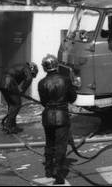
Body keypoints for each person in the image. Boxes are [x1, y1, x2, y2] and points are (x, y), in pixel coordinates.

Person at [38, 54, 78, 185]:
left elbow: (44, 102)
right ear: (56, 65)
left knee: (49, 143)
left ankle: (48, 169)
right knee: (61, 145)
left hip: (47, 116)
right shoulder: (65, 80)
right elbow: (72, 98)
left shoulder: (41, 83)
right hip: (62, 116)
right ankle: (58, 173)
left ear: (44, 68)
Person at [0, 61, 39, 134]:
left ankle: (12, 125)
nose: (32, 75)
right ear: (32, 69)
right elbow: (28, 79)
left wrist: (20, 91)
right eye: (33, 73)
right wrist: (22, 90)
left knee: (12, 104)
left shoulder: (20, 66)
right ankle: (9, 126)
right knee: (17, 104)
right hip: (8, 82)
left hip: (1, 82)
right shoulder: (27, 68)